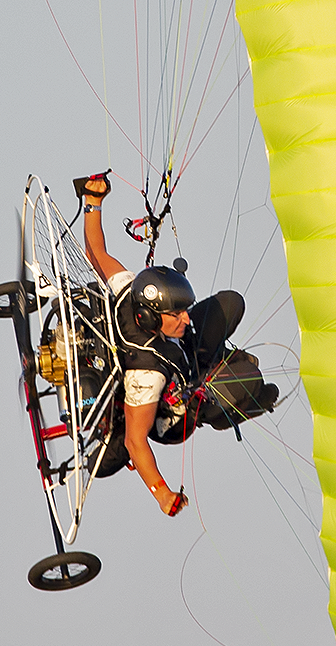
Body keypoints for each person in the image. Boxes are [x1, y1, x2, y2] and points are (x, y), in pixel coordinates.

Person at [79, 173, 248, 516]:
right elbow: (135, 441)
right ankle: (210, 394)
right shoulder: (148, 375)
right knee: (247, 387)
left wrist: (92, 201)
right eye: (178, 314)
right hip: (163, 416)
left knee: (230, 304)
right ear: (152, 317)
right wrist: (161, 492)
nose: (186, 319)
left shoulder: (128, 286)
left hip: (174, 354)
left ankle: (210, 363)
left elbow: (95, 252)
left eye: (186, 311)